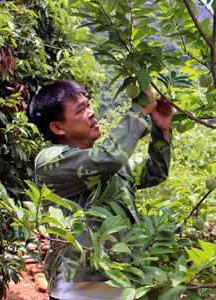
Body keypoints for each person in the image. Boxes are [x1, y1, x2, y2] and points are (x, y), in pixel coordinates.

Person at [29, 80, 173, 300]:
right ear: (57, 127)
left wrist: (161, 129)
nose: (91, 112)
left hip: (123, 286)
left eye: (89, 105)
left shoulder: (107, 165)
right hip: (76, 293)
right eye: (81, 110)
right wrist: (137, 113)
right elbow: (109, 158)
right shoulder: (49, 161)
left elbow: (155, 172)